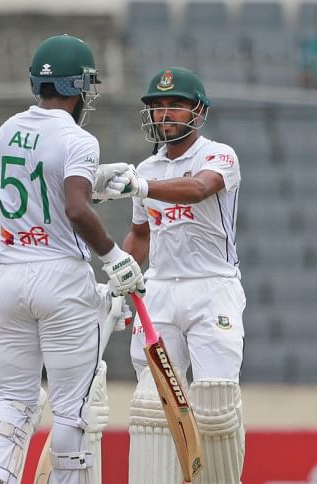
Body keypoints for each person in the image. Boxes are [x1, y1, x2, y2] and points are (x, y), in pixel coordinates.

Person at [0, 34, 145, 484]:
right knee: (70, 411)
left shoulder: (8, 130)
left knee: (9, 400)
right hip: (61, 278)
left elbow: (39, 192)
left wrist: (95, 181)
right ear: (78, 86)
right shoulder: (77, 138)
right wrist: (114, 257)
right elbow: (75, 209)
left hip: (8, 275)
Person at [93, 67, 245, 483]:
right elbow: (141, 234)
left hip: (213, 288)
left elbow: (198, 189)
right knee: (152, 408)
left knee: (215, 405)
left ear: (199, 111)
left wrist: (139, 187)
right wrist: (116, 286)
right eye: (158, 106)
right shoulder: (146, 168)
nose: (165, 113)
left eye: (175, 104)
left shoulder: (220, 155)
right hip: (159, 291)